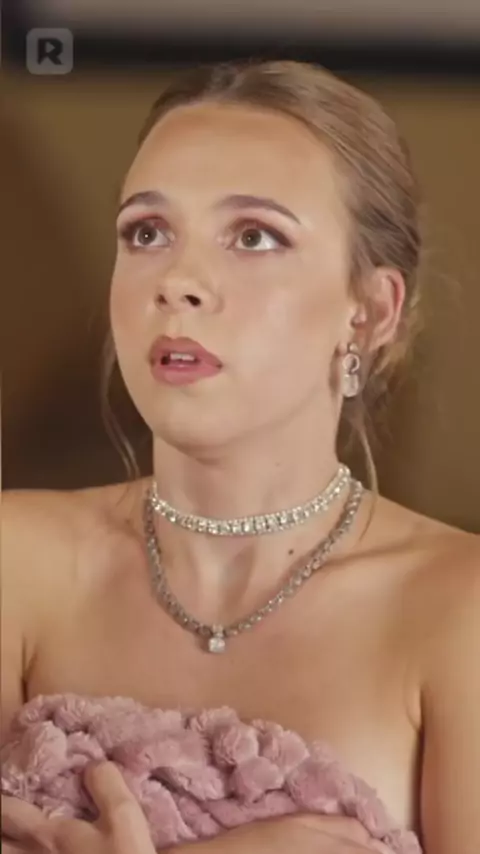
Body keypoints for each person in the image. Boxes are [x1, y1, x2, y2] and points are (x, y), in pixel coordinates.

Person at [1, 60, 479, 854]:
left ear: (369, 312)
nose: (178, 281)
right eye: (147, 233)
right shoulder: (15, 560)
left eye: (255, 236)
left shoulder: (458, 608)